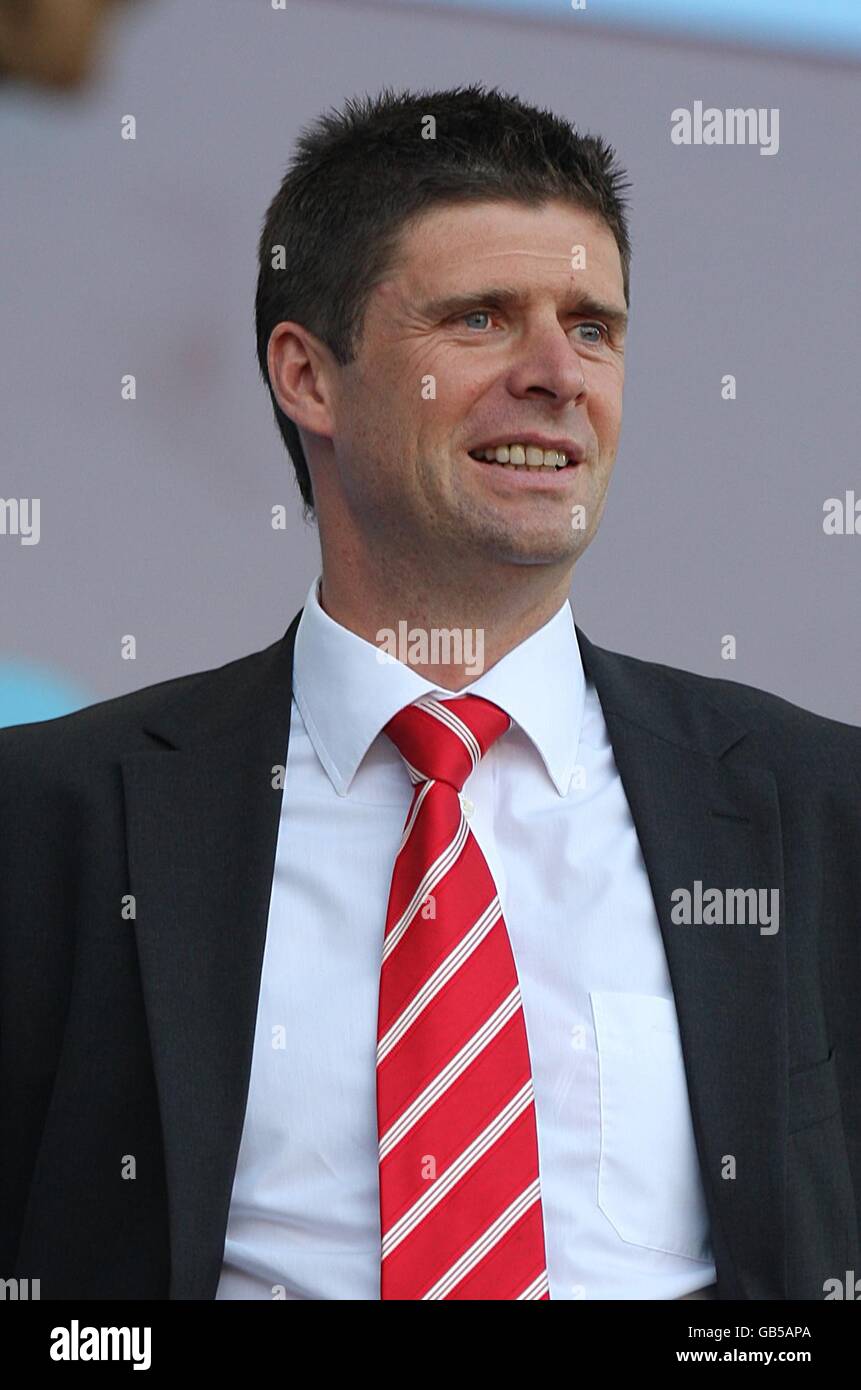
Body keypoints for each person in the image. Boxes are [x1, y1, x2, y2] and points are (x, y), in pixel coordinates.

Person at [1, 84, 858, 1301]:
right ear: (307, 375)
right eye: (482, 319)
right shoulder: (47, 819)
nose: (559, 373)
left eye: (595, 327)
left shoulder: (817, 809)